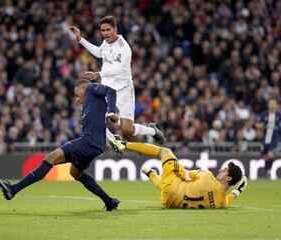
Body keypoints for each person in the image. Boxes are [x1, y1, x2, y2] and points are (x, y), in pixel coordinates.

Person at [0, 79, 120, 211]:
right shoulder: (91, 103)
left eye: (77, 94)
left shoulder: (90, 88)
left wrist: (112, 112)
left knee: (50, 158)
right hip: (96, 145)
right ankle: (109, 201)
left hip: (89, 141)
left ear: (83, 88)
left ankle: (13, 189)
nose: (77, 99)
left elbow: (110, 90)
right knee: (75, 173)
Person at [69, 15, 164, 143]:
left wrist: (99, 74)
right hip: (107, 89)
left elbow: (117, 69)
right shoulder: (106, 43)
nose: (105, 33)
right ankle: (114, 141)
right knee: (95, 116)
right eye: (103, 30)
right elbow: (98, 52)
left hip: (123, 89)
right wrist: (81, 39)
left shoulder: (123, 48)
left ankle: (152, 130)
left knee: (127, 129)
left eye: (108, 30)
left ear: (115, 29)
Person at [109, 139, 247, 209]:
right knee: (170, 183)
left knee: (165, 151)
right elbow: (231, 197)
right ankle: (151, 174)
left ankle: (124, 144)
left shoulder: (207, 176)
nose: (220, 171)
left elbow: (187, 175)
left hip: (172, 187)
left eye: (223, 171)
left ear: (228, 177)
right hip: (169, 203)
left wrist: (181, 173)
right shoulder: (222, 203)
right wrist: (240, 189)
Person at [256, 98, 281, 179]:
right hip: (265, 137)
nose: (273, 105)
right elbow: (259, 124)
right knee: (265, 156)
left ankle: (269, 171)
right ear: (268, 105)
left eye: (274, 103)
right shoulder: (264, 114)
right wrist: (260, 126)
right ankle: (268, 172)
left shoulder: (278, 115)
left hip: (274, 137)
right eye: (271, 103)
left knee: (270, 153)